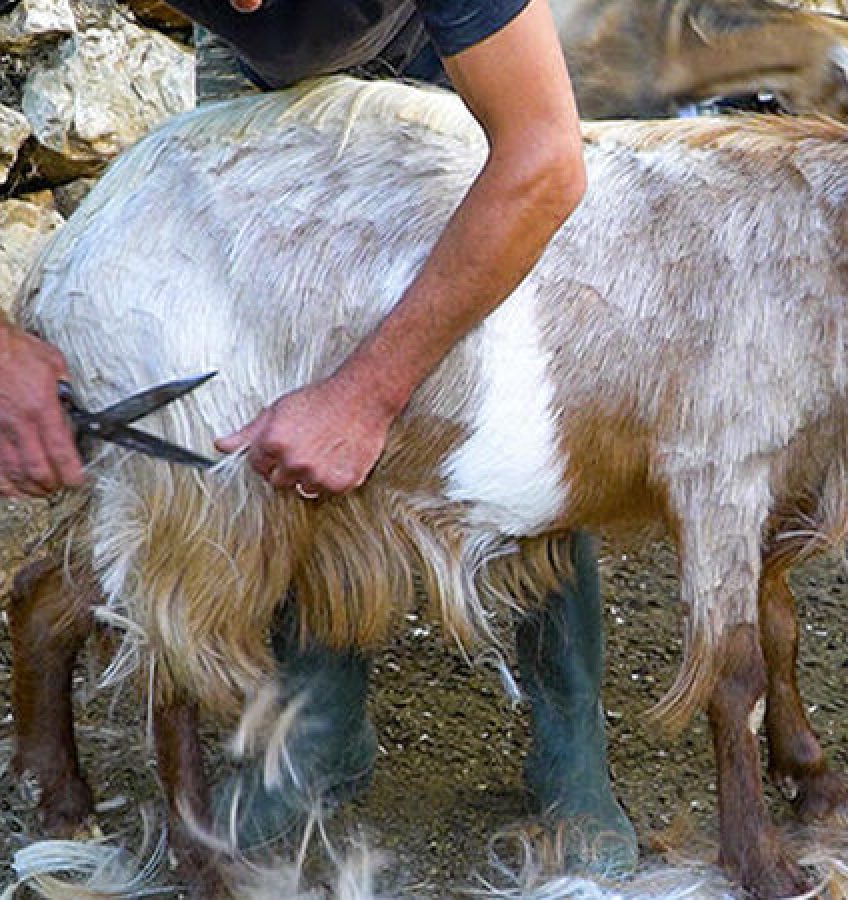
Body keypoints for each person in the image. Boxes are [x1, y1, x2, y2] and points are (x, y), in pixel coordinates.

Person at [0, 0, 637, 874]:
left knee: (517, 357)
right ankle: (321, 721)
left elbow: (545, 163)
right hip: (258, 65)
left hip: (444, 48)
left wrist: (364, 396)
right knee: (269, 336)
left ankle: (571, 736)